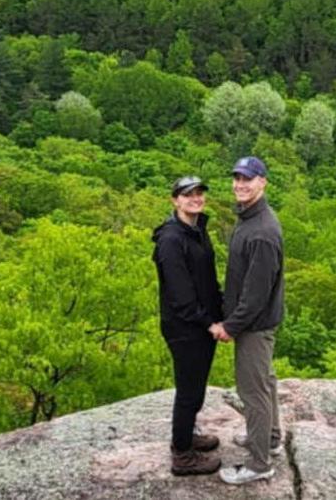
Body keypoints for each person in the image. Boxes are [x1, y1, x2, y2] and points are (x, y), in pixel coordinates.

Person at [210, 155, 284, 486]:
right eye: (237, 178)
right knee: (265, 382)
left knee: (252, 392)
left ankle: (259, 463)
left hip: (255, 326)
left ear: (263, 182)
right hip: (256, 322)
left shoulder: (263, 231)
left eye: (248, 179)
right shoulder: (250, 219)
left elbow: (255, 295)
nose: (240, 184)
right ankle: (270, 439)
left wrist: (230, 326)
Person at [151, 175, 223, 477]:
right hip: (185, 328)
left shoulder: (196, 230)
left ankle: (188, 435)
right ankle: (182, 454)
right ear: (175, 200)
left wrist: (222, 313)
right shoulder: (171, 239)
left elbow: (206, 280)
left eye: (199, 193)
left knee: (196, 388)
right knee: (188, 391)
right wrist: (211, 324)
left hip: (200, 324)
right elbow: (181, 296)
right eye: (187, 194)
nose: (195, 198)